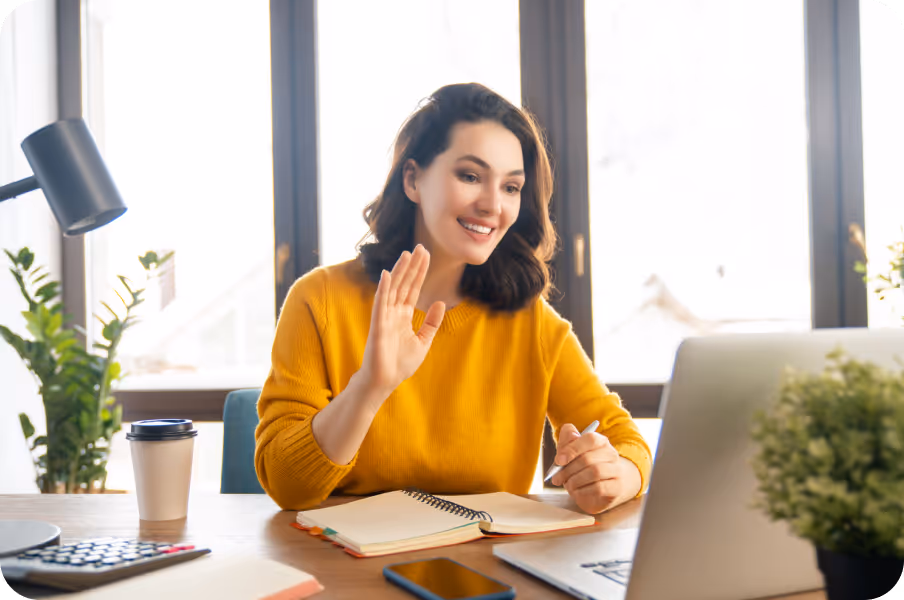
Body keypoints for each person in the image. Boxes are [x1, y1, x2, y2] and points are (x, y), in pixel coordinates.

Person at [255, 83, 652, 513]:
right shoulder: (320, 300)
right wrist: (369, 388)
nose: (492, 205)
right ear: (413, 179)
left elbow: (627, 443)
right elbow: (286, 485)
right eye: (470, 176)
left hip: (490, 555)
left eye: (511, 187)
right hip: (345, 555)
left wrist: (615, 476)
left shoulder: (532, 322)